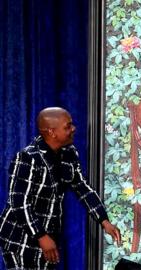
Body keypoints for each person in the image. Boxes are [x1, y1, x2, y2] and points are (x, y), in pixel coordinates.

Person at [0, 107, 121, 269]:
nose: (73, 129)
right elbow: (19, 204)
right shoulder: (27, 158)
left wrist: (104, 221)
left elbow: (82, 188)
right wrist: (41, 236)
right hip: (20, 238)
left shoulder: (69, 153)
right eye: (68, 126)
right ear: (51, 132)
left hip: (48, 236)